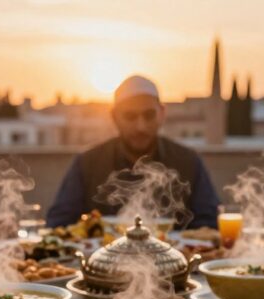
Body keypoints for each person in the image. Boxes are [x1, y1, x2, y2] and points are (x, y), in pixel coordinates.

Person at [46, 75, 220, 229]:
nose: (140, 126)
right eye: (130, 116)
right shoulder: (87, 163)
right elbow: (59, 223)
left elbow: (210, 223)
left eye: (149, 115)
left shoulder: (187, 161)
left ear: (162, 113)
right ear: (114, 116)